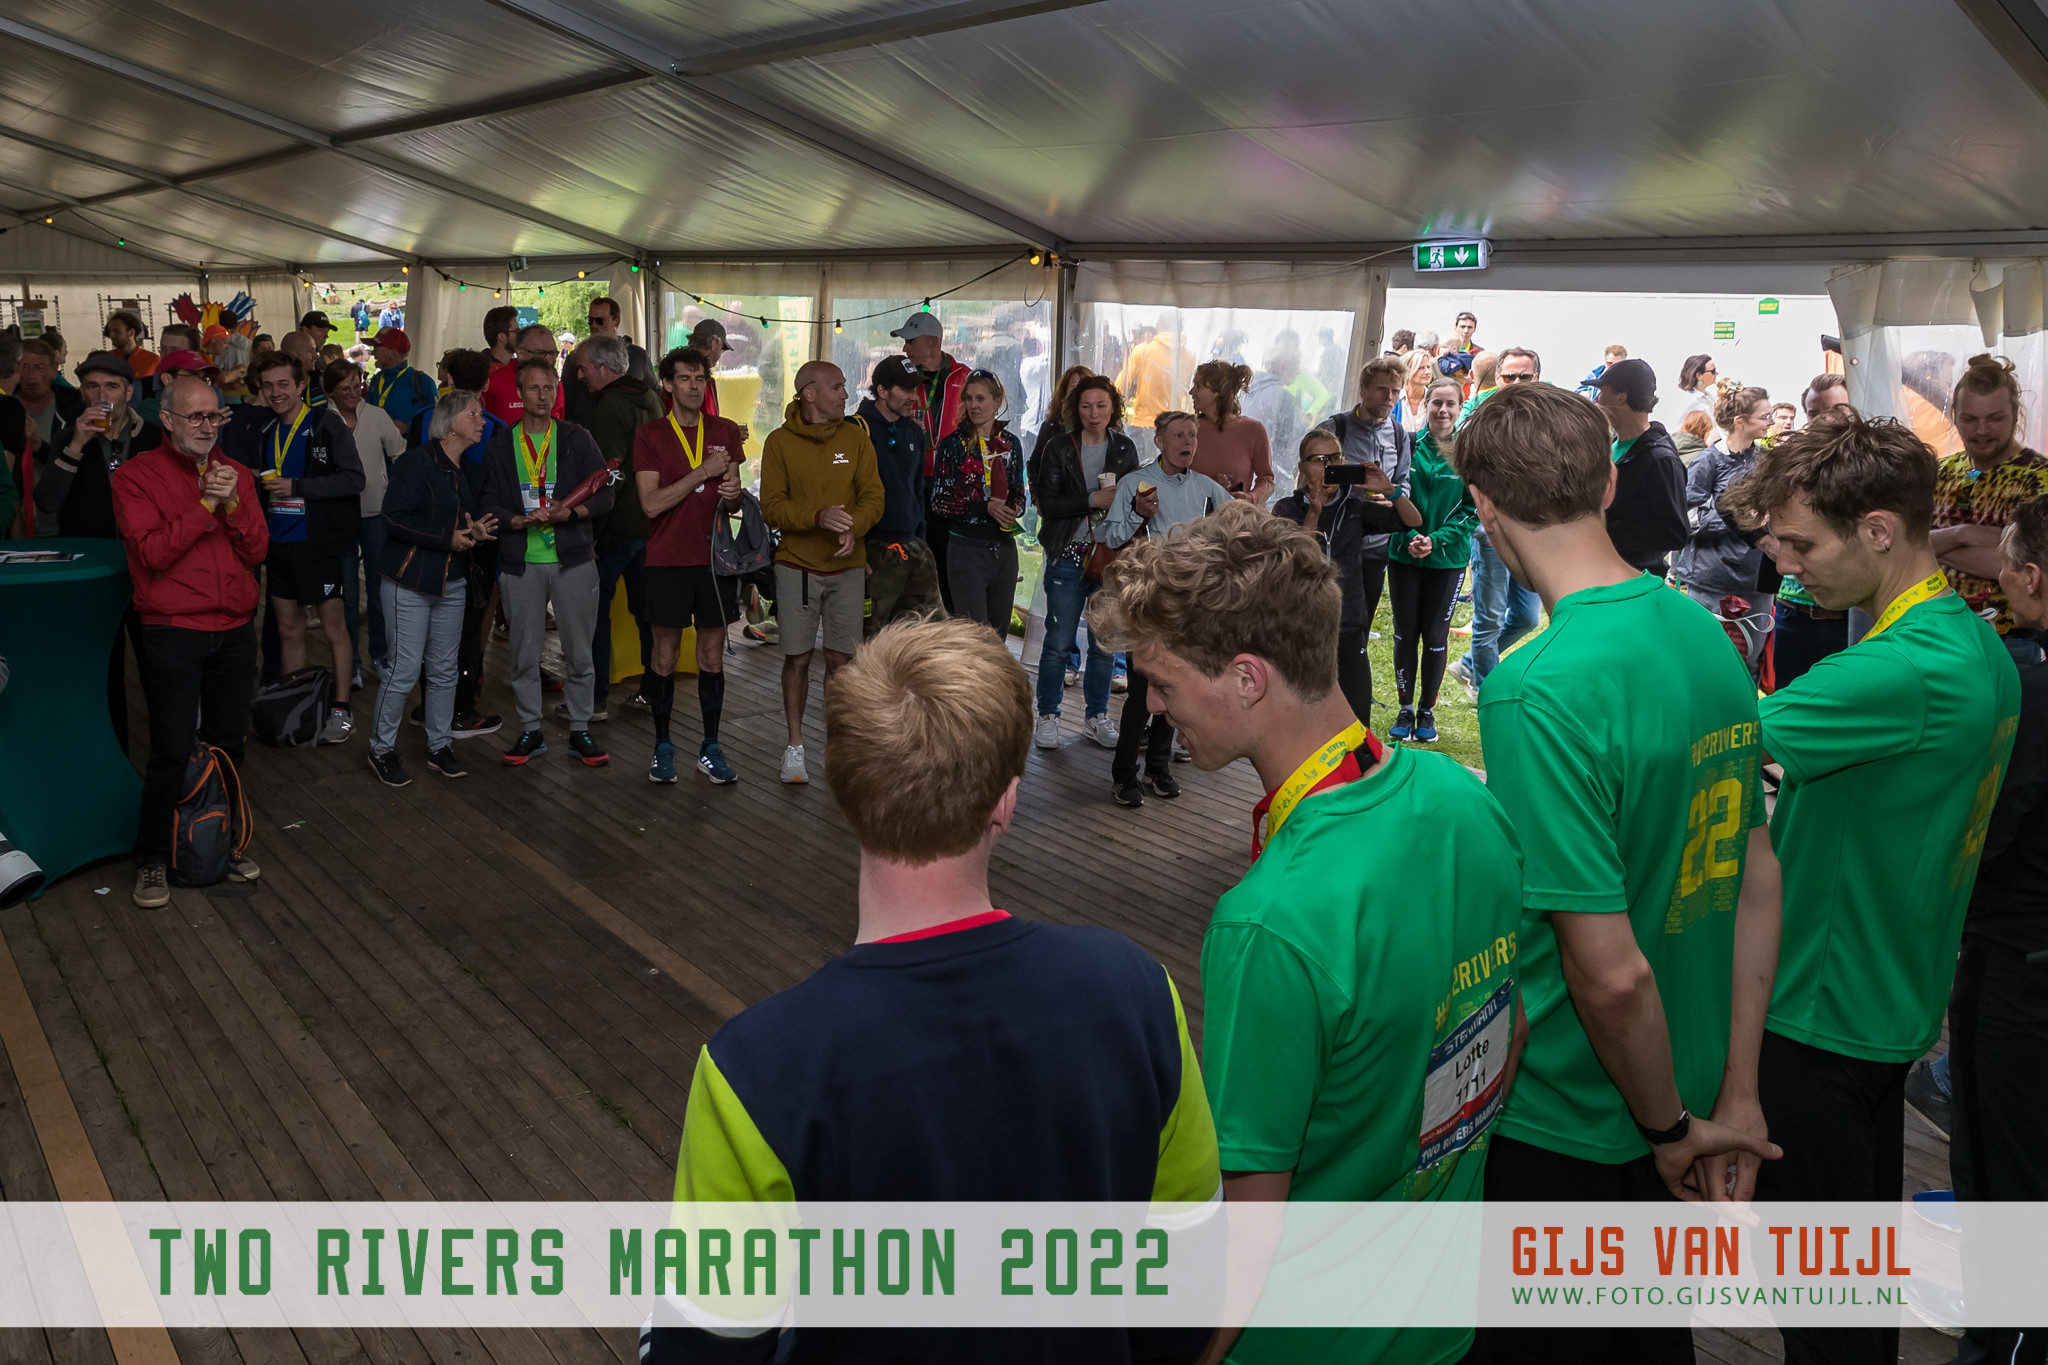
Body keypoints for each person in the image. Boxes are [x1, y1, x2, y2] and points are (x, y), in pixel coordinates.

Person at [642, 616, 1218, 1365]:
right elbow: (1185, 1302)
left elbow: (702, 1350)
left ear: (845, 787)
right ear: (1007, 799)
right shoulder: (1138, 995)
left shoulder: (757, 1070)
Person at [1087, 499, 1525, 1365]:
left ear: (1247, 677)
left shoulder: (1271, 921)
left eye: (1163, 681)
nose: (1154, 703)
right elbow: (1508, 1036)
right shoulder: (1466, 804)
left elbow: (1245, 1230)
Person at [1454, 382, 1784, 1365]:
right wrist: (1736, 1089)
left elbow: (1607, 973)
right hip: (1687, 1086)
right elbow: (1754, 877)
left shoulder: (1534, 685)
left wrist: (1668, 1126)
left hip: (1574, 1118)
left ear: (1481, 504)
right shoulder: (1699, 631)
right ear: (1607, 483)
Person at [1725, 412, 2020, 1365]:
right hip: (1886, 992)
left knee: (1824, 1309)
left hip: (1820, 1006)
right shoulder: (1976, 644)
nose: (1786, 565)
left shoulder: (1900, 669)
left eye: (1803, 544)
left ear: (1880, 530)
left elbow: (1715, 736)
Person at [1939, 499, 2048, 1365]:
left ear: (2032, 577)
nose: (2000, 577)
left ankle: (2006, 1342)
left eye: (2008, 563)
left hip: (2021, 961)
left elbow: (1990, 826)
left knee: (2005, 1171)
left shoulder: (2032, 687)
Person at [110, 376, 267, 909]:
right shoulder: (136, 477)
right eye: (195, 416)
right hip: (174, 629)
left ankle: (223, 844)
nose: (207, 426)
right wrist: (205, 505)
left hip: (234, 628)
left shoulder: (235, 473)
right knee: (172, 749)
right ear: (167, 420)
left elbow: (257, 550)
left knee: (229, 744)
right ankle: (153, 858)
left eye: (214, 416)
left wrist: (233, 504)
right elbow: (152, 553)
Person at [478, 356, 614, 769]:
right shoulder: (502, 444)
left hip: (573, 561)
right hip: (521, 562)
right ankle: (530, 729)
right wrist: (514, 521)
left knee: (580, 652)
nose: (542, 395)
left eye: (549, 388)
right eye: (534, 388)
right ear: (519, 394)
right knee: (523, 654)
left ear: (557, 392)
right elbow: (487, 500)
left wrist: (569, 513)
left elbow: (605, 494)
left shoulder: (576, 439)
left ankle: (580, 729)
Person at [760, 360, 884, 785]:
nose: (846, 394)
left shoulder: (856, 438)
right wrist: (817, 517)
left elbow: (874, 496)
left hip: (848, 567)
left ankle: (838, 748)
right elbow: (771, 507)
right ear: (809, 394)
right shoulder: (779, 443)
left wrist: (854, 527)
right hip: (796, 566)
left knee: (841, 660)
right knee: (796, 659)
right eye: (837, 387)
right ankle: (795, 747)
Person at [1099, 412, 1232, 806]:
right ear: (1159, 442)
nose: (1187, 442)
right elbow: (1111, 536)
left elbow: (1237, 522)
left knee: (1176, 685)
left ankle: (1158, 766)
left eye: (1192, 435)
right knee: (1142, 690)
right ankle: (1124, 774)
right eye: (1178, 435)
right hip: (1147, 598)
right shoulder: (1135, 483)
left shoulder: (1206, 487)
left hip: (1189, 601)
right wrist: (1139, 514)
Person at [367, 390, 497, 787]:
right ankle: (381, 749)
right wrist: (447, 539)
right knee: (404, 669)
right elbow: (392, 518)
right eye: (474, 414)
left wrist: (472, 532)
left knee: (443, 669)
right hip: (409, 581)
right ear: (451, 422)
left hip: (451, 582)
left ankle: (439, 746)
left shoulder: (462, 469)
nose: (482, 421)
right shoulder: (417, 462)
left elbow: (455, 522)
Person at [634, 346, 746, 786]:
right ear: (667, 384)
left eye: (701, 379)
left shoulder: (725, 431)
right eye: (684, 378)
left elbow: (734, 500)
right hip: (668, 558)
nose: (694, 386)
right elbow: (650, 504)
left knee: (712, 656)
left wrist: (733, 493)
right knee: (664, 656)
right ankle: (663, 746)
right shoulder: (651, 435)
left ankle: (711, 747)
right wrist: (703, 472)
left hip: (715, 560)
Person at [35, 350, 158, 748]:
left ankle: (173, 761)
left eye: (111, 386)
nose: (102, 395)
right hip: (96, 573)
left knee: (158, 668)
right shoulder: (68, 437)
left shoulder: (154, 438)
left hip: (150, 570)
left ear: (129, 392)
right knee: (104, 671)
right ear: (83, 393)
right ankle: (115, 755)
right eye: (92, 386)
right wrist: (76, 444)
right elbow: (48, 502)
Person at [248, 350, 365, 743]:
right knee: (287, 629)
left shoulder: (325, 424)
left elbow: (354, 479)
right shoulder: (267, 429)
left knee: (334, 629)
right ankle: (296, 707)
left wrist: (297, 486)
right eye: (268, 385)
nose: (276, 392)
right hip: (280, 544)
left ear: (301, 385)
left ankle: (341, 710)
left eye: (284, 384)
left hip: (318, 545)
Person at [1273, 425, 1419, 725]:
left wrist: (1389, 489)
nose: (1328, 467)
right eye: (1318, 460)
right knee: (1303, 716)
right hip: (1303, 626)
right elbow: (1298, 559)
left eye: (1335, 458)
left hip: (1348, 623)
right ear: (1303, 467)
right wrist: (1314, 513)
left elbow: (1412, 521)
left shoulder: (1355, 506)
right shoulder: (1288, 508)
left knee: (1357, 714)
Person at [1029, 374, 1140, 749]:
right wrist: (1093, 500)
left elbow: (1132, 503)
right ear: (1075, 409)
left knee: (1105, 643)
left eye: (1101, 405)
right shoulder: (1060, 447)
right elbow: (1048, 504)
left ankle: (1097, 717)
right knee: (1058, 643)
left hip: (1109, 558)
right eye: (1087, 406)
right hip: (1068, 554)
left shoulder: (1124, 448)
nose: (1094, 413)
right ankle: (1048, 715)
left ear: (1113, 409)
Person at [1928, 355, 2048, 651]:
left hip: (2013, 639)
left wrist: (1931, 545)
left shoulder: (2038, 476)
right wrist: (1962, 534)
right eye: (1970, 419)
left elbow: (2013, 568)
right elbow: (1904, 547)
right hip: (1940, 634)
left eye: (1995, 418)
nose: (1982, 430)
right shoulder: (1939, 472)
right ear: (1955, 415)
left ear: (2015, 415)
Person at [1386, 377, 1479, 742]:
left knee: (1436, 636)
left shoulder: (1468, 454)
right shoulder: (1406, 445)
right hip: (1403, 554)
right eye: (1436, 403)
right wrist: (1408, 537)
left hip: (1447, 559)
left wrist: (1435, 540)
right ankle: (1405, 708)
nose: (1442, 410)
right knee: (1405, 633)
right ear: (1425, 405)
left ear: (1460, 407)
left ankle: (1427, 712)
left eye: (1449, 404)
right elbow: (1390, 497)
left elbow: (1472, 510)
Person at [577, 333, 663, 720]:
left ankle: (593, 699)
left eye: (583, 368)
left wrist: (593, 534)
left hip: (616, 527)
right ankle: (653, 691)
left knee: (594, 610)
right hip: (650, 522)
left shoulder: (610, 405)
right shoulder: (652, 399)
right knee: (647, 614)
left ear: (603, 368)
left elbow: (608, 475)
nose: (580, 376)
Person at [1678, 386, 1778, 677]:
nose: (1771, 422)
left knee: (1749, 662)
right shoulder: (1707, 461)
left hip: (1757, 579)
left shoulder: (1766, 461)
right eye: (1765, 416)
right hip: (1713, 579)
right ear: (1740, 421)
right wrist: (1738, 518)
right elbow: (1688, 516)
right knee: (1707, 660)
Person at [1771, 379, 1860, 687]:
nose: (1824, 421)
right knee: (1788, 702)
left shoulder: (1870, 466)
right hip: (1792, 611)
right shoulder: (1791, 464)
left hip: (1847, 617)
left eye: (1834, 410)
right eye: (1814, 413)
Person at [324, 359, 408, 685]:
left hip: (376, 514)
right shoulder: (321, 420)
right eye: (344, 388)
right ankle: (351, 664)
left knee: (379, 591)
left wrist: (397, 497)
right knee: (346, 594)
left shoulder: (376, 415)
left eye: (357, 385)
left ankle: (380, 655)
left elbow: (401, 455)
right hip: (339, 518)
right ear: (331, 391)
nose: (352, 392)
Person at [928, 368, 1025, 636]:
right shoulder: (953, 445)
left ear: (997, 401)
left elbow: (1019, 493)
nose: (973, 405)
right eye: (969, 399)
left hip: (1004, 548)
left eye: (980, 399)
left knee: (998, 635)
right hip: (967, 547)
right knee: (974, 636)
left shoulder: (1010, 443)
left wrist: (1014, 507)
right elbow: (939, 501)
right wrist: (984, 507)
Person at [1327, 356, 1415, 645]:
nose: (1389, 397)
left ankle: (1356, 667)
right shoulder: (1335, 428)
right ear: (1363, 389)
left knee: (1362, 620)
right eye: (1381, 389)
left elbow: (1404, 481)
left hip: (1377, 545)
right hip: (1337, 541)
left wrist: (1391, 497)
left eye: (1395, 391)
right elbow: (1310, 478)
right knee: (1329, 619)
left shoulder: (1399, 434)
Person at [854, 355, 942, 634]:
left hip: (914, 548)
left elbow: (917, 491)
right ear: (882, 391)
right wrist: (858, 552)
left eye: (915, 389)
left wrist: (922, 543)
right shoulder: (855, 429)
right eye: (905, 389)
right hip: (874, 551)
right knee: (871, 637)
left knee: (933, 634)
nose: (914, 397)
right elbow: (843, 496)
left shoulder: (914, 432)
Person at [1589, 357, 1688, 576]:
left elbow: (1674, 532)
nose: (1596, 399)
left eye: (1602, 392)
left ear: (1621, 398)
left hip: (1634, 579)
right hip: (1600, 570)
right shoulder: (1609, 445)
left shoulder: (1660, 459)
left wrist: (1605, 526)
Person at [1115, 312, 1199, 461]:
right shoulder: (1189, 356)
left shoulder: (1143, 351)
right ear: (1180, 328)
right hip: (1175, 426)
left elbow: (1119, 386)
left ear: (1158, 326)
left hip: (1143, 423)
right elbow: (1188, 393)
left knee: (1143, 470)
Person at [1187, 360, 1274, 504]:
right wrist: (1208, 485)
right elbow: (1172, 476)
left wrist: (1250, 498)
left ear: (1218, 393)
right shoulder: (1188, 430)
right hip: (1191, 513)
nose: (1191, 392)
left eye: (1199, 387)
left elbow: (1267, 480)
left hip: (1235, 515)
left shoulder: (1254, 430)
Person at [563, 296, 654, 424]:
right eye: (590, 320)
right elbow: (566, 404)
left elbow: (654, 395)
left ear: (616, 321)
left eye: (600, 321)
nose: (594, 325)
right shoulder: (575, 359)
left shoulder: (638, 356)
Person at [482, 324, 565, 429]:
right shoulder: (494, 382)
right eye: (541, 353)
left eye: (553, 353)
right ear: (520, 354)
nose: (549, 359)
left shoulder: (556, 384)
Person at [13, 339, 84, 461]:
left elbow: (77, 462)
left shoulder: (74, 407)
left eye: (39, 367)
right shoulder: (6, 406)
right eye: (24, 367)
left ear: (54, 370)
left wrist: (38, 446)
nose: (31, 376)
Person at [366, 327, 438, 444]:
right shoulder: (376, 380)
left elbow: (438, 421)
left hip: (410, 453)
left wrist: (408, 427)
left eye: (376, 348)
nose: (373, 353)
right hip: (375, 451)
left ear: (393, 354)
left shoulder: (423, 382)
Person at [103, 309, 158, 382]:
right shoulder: (106, 359)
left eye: (117, 331)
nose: (112, 335)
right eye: (110, 331)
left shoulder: (153, 361)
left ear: (131, 333)